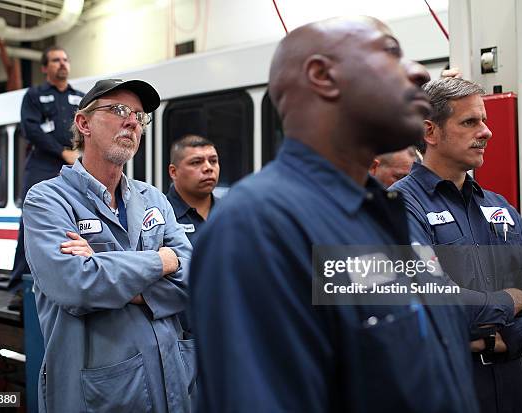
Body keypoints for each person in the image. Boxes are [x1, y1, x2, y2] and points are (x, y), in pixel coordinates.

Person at [189, 16, 481, 412]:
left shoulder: (388, 212)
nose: (417, 72)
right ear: (323, 76)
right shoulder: (259, 229)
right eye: (391, 53)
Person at [391, 77, 522, 413]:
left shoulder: (498, 207)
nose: (486, 132)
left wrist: (506, 340)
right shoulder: (398, 206)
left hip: (511, 398)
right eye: (470, 122)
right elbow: (434, 305)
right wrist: (512, 298)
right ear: (430, 132)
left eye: (484, 121)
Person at [23, 79, 195, 412]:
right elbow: (78, 284)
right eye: (118, 110)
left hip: (171, 385)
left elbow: (194, 276)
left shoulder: (153, 200)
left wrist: (110, 270)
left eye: (139, 115)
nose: (132, 121)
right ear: (83, 123)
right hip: (100, 394)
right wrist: (162, 261)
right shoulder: (47, 200)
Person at [8, 45, 84, 303]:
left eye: (65, 59)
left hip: (74, 165)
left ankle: (71, 279)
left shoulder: (80, 98)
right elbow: (31, 130)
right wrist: (62, 152)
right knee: (31, 221)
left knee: (77, 220)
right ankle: (19, 286)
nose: (62, 64)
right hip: (42, 164)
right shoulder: (34, 96)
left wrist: (78, 154)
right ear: (44, 68)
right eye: (55, 60)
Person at [167, 134, 219, 244]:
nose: (208, 168)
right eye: (196, 162)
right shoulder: (161, 215)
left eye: (213, 161)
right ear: (173, 172)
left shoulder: (229, 211)